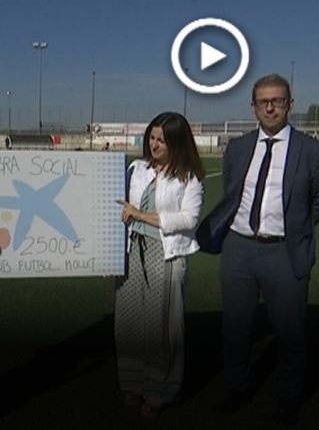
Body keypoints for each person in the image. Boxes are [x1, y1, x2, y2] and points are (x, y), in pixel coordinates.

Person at [196, 74, 319, 425]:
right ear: (253, 107)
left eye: (278, 101)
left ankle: (289, 398)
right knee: (235, 328)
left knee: (290, 333)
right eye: (263, 102)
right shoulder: (238, 148)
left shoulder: (314, 151)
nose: (270, 107)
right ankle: (237, 388)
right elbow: (232, 193)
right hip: (239, 249)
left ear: (290, 104)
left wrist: (294, 229)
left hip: (284, 252)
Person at [114, 112, 205, 417]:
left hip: (166, 253)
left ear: (177, 143)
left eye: (161, 141)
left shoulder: (189, 177)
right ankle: (132, 382)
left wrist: (140, 215)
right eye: (151, 138)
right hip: (132, 249)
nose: (154, 145)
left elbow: (188, 219)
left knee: (163, 324)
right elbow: (116, 206)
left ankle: (160, 390)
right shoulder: (136, 169)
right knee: (129, 319)